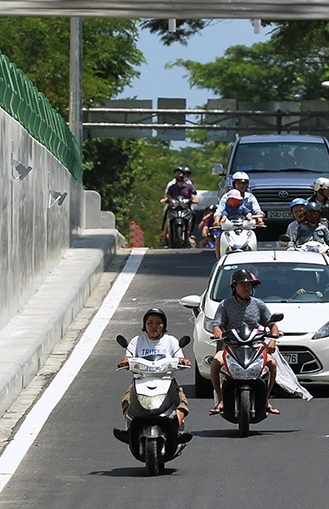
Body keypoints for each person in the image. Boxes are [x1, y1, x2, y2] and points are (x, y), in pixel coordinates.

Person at [209, 267, 281, 414]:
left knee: (272, 364)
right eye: (242, 285)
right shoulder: (225, 304)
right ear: (234, 287)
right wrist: (217, 331)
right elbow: (217, 324)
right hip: (231, 346)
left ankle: (265, 399)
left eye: (249, 285)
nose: (246, 288)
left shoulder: (259, 304)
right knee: (215, 364)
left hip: (255, 346)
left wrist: (273, 341)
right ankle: (221, 400)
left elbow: (273, 325)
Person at [119, 306, 192, 437]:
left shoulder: (171, 341)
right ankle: (129, 431)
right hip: (141, 380)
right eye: (150, 323)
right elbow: (128, 357)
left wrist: (183, 362)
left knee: (182, 402)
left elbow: (180, 358)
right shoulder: (137, 341)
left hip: (166, 380)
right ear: (144, 325)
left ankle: (176, 429)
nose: (154, 326)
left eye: (158, 323)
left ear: (164, 325)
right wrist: (125, 361)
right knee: (127, 401)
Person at [213, 172, 264, 259]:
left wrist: (260, 220)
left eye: (244, 183)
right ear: (234, 184)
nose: (241, 185)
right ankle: (220, 260)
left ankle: (254, 257)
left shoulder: (250, 197)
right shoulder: (226, 196)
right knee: (219, 237)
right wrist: (217, 221)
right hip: (229, 225)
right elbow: (220, 210)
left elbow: (257, 210)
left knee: (253, 237)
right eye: (239, 183)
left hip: (245, 225)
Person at [160, 166, 197, 242]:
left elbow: (193, 196)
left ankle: (189, 233)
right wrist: (164, 200)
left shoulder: (189, 186)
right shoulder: (171, 186)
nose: (178, 175)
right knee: (167, 214)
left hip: (185, 207)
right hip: (174, 206)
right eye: (177, 174)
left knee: (193, 214)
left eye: (180, 174)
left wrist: (193, 200)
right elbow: (167, 196)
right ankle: (164, 234)